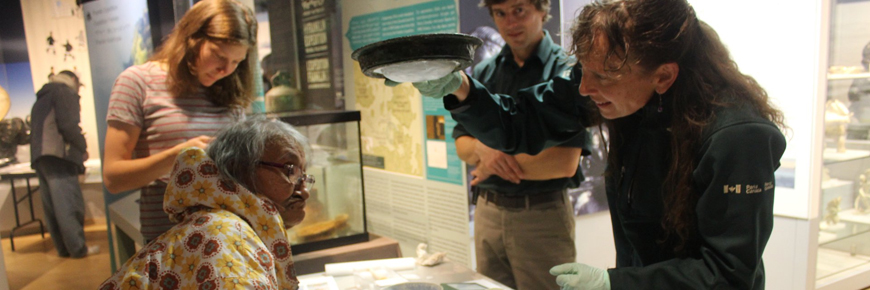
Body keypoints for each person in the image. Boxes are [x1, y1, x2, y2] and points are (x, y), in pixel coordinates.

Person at [399, 0, 787, 288]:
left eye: (601, 76)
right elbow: (523, 120)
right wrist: (462, 89)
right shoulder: (626, 87)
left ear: (664, 76)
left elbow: (728, 272)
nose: (585, 88)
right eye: (583, 71)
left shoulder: (739, 137)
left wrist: (614, 284)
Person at [454, 1, 587, 289]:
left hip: (540, 216)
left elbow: (564, 163)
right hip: (488, 212)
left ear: (541, 10)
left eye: (519, 11)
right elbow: (461, 143)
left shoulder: (565, 70)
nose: (510, 23)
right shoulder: (487, 71)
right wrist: (482, 151)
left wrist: (490, 166)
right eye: (500, 13)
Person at [102, 0, 257, 242]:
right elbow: (113, 178)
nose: (225, 69)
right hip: (170, 247)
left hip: (228, 242)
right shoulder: (137, 82)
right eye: (218, 56)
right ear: (191, 40)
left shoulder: (231, 89)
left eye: (236, 62)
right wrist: (176, 157)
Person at [99, 116, 311, 289]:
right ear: (238, 169)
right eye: (290, 170)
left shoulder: (217, 225)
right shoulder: (225, 234)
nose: (304, 191)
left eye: (305, 176)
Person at [29, 70, 99, 258]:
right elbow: (69, 125)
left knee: (52, 206)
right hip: (59, 155)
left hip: (40, 155)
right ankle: (78, 249)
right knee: (68, 203)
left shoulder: (44, 95)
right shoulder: (64, 92)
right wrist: (82, 147)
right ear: (74, 80)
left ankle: (63, 249)